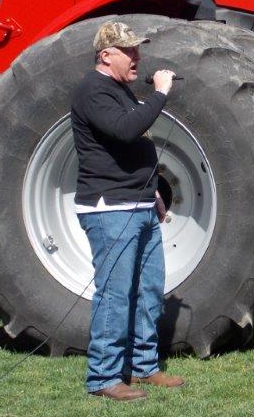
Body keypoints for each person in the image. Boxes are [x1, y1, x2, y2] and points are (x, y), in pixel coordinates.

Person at [70, 21, 183, 401]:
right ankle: (103, 377)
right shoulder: (93, 90)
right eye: (129, 50)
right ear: (106, 55)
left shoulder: (118, 90)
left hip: (139, 204)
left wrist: (152, 193)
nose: (138, 57)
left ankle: (143, 366)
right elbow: (125, 129)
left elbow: (132, 142)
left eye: (138, 49)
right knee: (115, 294)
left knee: (149, 289)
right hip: (111, 210)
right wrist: (160, 93)